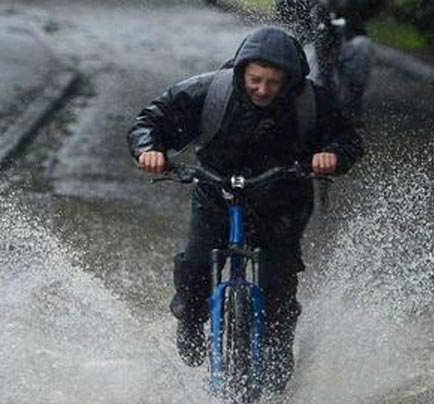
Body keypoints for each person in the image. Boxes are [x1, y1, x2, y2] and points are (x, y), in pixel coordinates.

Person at [127, 26, 363, 393]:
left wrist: (333, 156)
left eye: (273, 82)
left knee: (278, 283)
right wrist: (150, 151)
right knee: (195, 266)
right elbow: (150, 121)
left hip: (282, 200)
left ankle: (278, 349)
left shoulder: (313, 101)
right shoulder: (210, 91)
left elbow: (348, 137)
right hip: (215, 193)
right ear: (241, 73)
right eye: (255, 80)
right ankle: (189, 320)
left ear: (289, 80)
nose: (263, 90)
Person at [276, 0, 385, 123]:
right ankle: (310, 108)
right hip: (311, 42)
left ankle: (351, 108)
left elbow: (371, 8)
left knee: (363, 48)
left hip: (347, 39)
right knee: (307, 62)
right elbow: (284, 11)